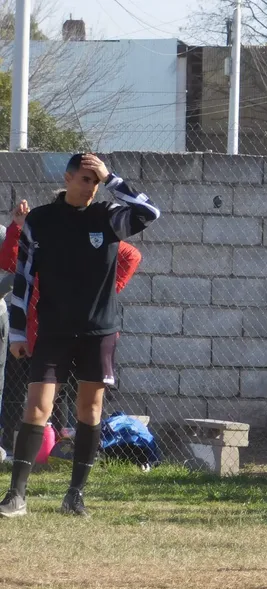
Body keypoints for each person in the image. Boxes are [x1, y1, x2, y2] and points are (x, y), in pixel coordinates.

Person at [0, 153, 159, 519]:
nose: (91, 186)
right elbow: (23, 278)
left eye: (96, 181)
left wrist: (113, 178)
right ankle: (16, 495)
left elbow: (150, 213)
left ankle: (75, 496)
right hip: (53, 329)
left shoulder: (108, 217)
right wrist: (20, 332)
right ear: (69, 178)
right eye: (85, 179)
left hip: (98, 332)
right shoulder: (40, 220)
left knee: (90, 410)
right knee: (37, 407)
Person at [0, 199, 142, 455]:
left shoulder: (92, 237)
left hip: (86, 332)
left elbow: (131, 255)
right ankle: (13, 447)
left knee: (74, 396)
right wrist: (19, 227)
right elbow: (12, 264)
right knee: (23, 388)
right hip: (39, 327)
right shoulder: (44, 237)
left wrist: (109, 289)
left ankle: (64, 448)